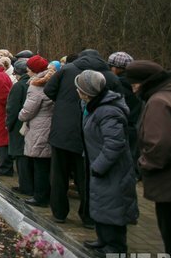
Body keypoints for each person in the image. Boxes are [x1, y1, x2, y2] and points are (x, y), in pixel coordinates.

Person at [126, 60, 171, 258]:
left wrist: (143, 165)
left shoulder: (158, 102)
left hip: (170, 183)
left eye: (133, 84)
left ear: (141, 83)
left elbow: (158, 145)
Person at [43, 49, 122, 227]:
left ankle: (59, 212)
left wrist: (63, 103)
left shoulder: (67, 70)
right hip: (91, 134)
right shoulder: (109, 76)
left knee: (58, 175)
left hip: (62, 129)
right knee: (85, 177)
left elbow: (49, 90)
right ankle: (88, 217)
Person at [75, 70, 138, 258]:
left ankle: (116, 247)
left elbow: (114, 143)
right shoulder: (93, 106)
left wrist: (99, 166)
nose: (77, 92)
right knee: (101, 202)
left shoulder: (108, 110)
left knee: (113, 205)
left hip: (112, 168)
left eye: (79, 89)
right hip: (98, 164)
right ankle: (103, 239)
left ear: (87, 91)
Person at [18, 55, 54, 207]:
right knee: (46, 164)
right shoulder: (51, 81)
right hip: (49, 125)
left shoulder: (36, 86)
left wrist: (21, 115)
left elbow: (28, 110)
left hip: (39, 127)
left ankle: (40, 196)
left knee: (40, 164)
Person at [107, 51, 142, 176]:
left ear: (116, 68)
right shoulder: (138, 83)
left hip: (122, 125)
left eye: (111, 66)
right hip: (136, 124)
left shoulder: (117, 85)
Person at [6, 59, 34, 195]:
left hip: (19, 124)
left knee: (20, 155)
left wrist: (8, 124)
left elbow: (12, 108)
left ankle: (25, 185)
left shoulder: (18, 86)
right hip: (31, 124)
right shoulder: (33, 83)